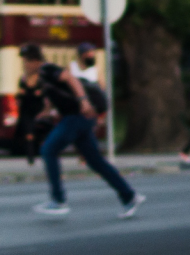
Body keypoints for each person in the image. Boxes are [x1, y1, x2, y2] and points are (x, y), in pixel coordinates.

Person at [18, 43, 144, 218]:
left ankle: (58, 200)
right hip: (79, 118)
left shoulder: (47, 69)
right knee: (95, 161)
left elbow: (71, 79)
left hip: (77, 116)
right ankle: (129, 195)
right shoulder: (42, 77)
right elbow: (57, 96)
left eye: (25, 61)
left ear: (33, 61)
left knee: (48, 150)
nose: (23, 65)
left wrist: (84, 101)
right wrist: (45, 112)